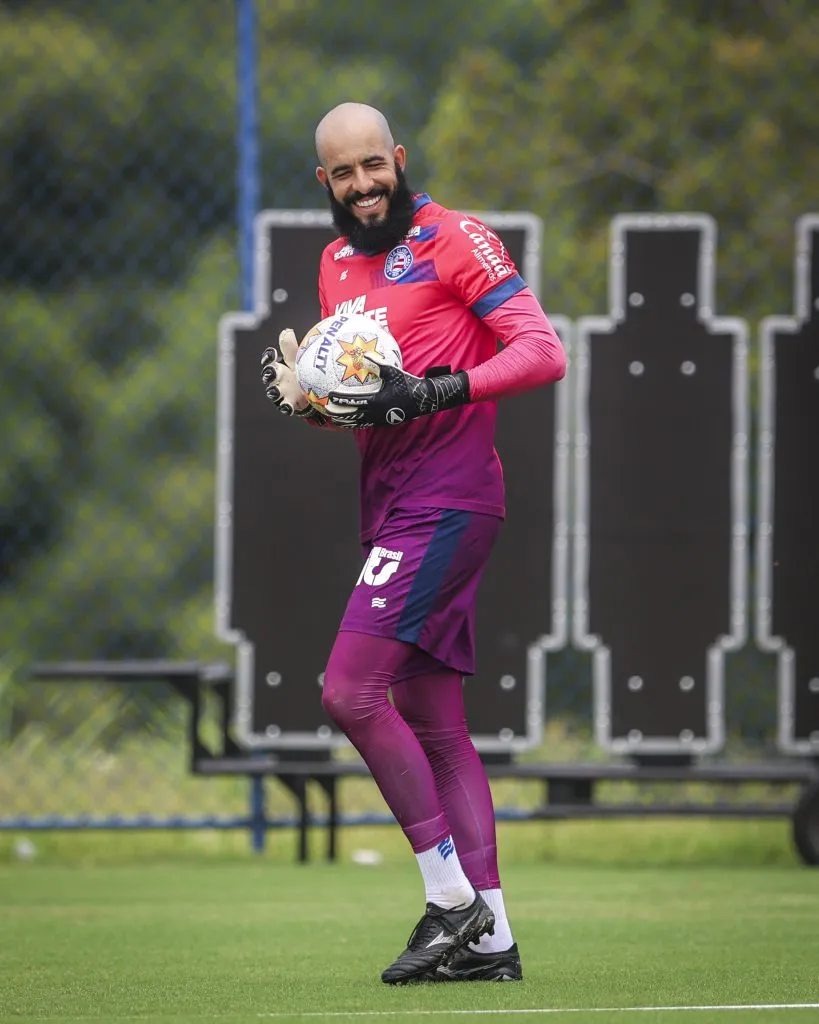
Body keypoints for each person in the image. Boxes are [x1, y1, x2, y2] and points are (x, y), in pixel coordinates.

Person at [260, 102, 566, 985]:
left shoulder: (455, 237)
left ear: (397, 158)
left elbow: (543, 352)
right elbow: (371, 406)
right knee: (433, 722)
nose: (363, 185)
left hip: (448, 500)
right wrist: (310, 404)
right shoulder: (334, 264)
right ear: (324, 181)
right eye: (343, 173)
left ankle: (450, 900)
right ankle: (492, 943)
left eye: (373, 165)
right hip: (392, 503)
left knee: (349, 692)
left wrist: (438, 390)